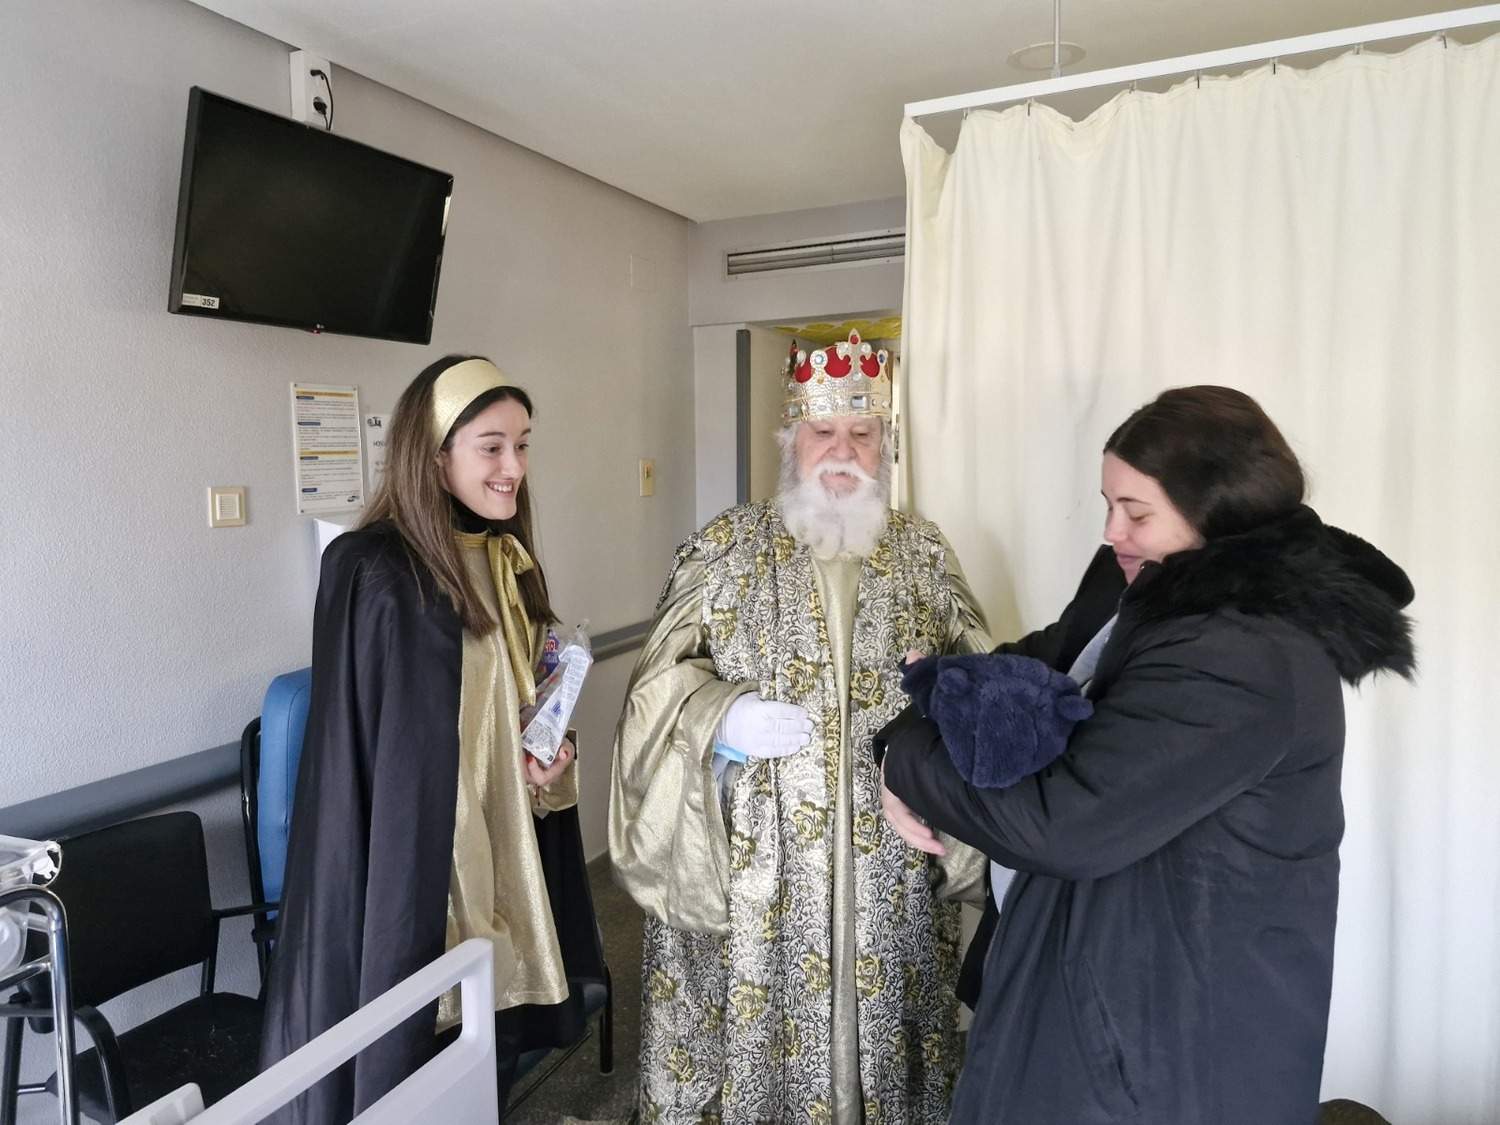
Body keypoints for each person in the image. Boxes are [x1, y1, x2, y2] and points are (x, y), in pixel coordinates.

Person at [878, 385, 1416, 1125]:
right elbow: (1019, 667)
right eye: (1108, 504)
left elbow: (1060, 822)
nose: (1112, 531)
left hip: (1163, 1057)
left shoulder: (1250, 652)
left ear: (1218, 510)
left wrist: (905, 760)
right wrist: (913, 720)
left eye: (1136, 511)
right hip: (1082, 1001)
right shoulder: (1139, 589)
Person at [611, 333, 990, 1124]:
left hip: (893, 874)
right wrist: (721, 716)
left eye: (863, 433)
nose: (843, 452)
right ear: (790, 439)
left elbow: (985, 687)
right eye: (824, 432)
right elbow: (652, 691)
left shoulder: (925, 553)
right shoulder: (724, 549)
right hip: (760, 877)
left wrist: (946, 707)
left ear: (886, 444)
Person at [260, 355, 604, 1123]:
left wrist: (549, 759)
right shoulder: (375, 569)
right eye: (492, 445)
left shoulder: (506, 562)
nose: (514, 466)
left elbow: (510, 718)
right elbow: (368, 767)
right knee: (418, 1085)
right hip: (420, 891)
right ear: (436, 450)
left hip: (507, 873)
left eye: (523, 443)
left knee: (495, 1070)